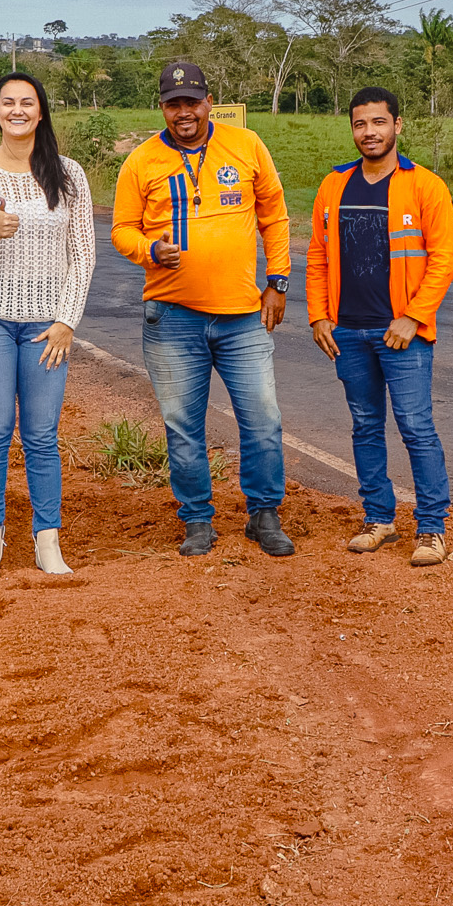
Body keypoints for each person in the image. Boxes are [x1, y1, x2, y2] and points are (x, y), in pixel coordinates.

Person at [111, 60, 295, 558]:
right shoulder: (142, 161)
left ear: (209, 102)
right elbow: (122, 228)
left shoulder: (246, 145)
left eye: (192, 101)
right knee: (182, 424)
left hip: (241, 317)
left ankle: (263, 513)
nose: (184, 112)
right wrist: (150, 250)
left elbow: (274, 217)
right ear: (163, 108)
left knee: (262, 418)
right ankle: (196, 519)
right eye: (174, 104)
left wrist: (277, 281)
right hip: (171, 318)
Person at [0, 72, 96, 580]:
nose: (17, 110)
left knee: (41, 435)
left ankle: (46, 538)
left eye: (27, 103)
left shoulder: (69, 174)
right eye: (8, 102)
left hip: (45, 327)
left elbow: (83, 256)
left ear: (40, 112)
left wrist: (66, 321)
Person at [304, 86, 453, 566]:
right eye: (359, 124)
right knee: (366, 426)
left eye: (377, 122)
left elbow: (445, 258)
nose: (368, 132)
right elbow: (316, 255)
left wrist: (413, 317)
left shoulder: (425, 186)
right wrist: (318, 316)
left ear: (397, 126)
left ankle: (431, 528)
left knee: (415, 426)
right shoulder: (334, 185)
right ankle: (379, 519)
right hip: (348, 332)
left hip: (402, 334)